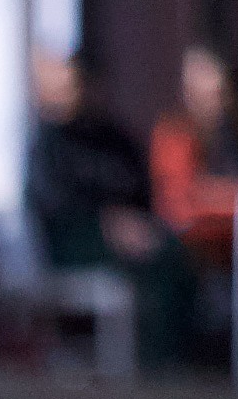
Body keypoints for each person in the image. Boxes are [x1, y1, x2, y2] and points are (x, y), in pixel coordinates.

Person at [24, 49, 191, 371]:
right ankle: (139, 364)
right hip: (73, 240)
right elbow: (49, 205)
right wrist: (104, 223)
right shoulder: (51, 140)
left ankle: (168, 360)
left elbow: (144, 193)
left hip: (136, 233)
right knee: (137, 274)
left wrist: (136, 224)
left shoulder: (119, 140)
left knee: (174, 257)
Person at [150, 44, 238, 364]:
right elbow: (178, 205)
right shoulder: (175, 132)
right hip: (191, 246)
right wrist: (237, 197)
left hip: (237, 244)